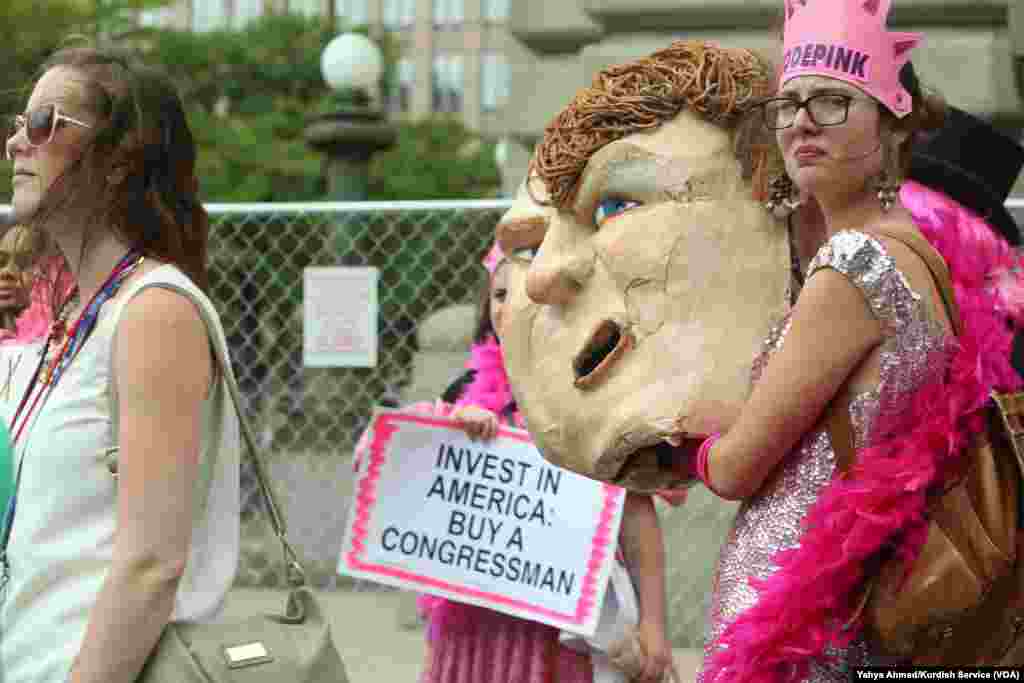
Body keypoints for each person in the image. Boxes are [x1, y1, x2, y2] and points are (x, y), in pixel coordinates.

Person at [681, 0, 1024, 679]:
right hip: (837, 619)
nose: (803, 119)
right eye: (790, 102)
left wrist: (690, 441)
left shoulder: (854, 265)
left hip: (795, 634)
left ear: (894, 128)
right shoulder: (916, 252)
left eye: (835, 101)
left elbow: (736, 468)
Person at [0, 46, 241, 683]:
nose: (16, 143)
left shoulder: (153, 310)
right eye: (18, 124)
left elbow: (152, 562)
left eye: (44, 123)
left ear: (116, 158)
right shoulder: (74, 316)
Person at [353, 235, 677, 683]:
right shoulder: (463, 392)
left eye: (526, 294)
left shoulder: (596, 399)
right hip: (472, 631)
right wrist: (449, 424)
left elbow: (636, 519)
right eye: (500, 294)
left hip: (564, 632)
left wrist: (654, 628)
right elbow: (398, 468)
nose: (509, 307)